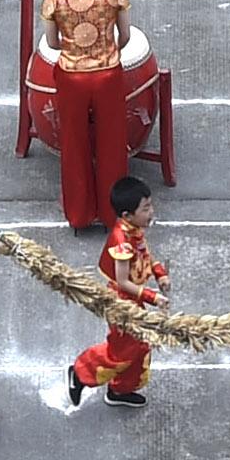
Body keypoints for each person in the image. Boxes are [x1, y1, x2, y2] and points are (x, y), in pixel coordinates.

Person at [38, 0, 134, 230]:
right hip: (107, 74)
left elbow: (53, 43)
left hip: (72, 77)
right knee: (112, 143)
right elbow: (127, 35)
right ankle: (113, 213)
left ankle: (79, 214)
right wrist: (106, 52)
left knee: (74, 144)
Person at [67, 175, 168, 409]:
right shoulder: (121, 241)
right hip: (120, 302)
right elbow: (122, 281)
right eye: (146, 208)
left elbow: (145, 254)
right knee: (121, 351)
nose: (151, 212)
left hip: (133, 300)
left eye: (150, 205)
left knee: (140, 345)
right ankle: (81, 373)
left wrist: (160, 272)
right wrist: (152, 297)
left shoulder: (134, 229)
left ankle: (120, 389)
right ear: (127, 215)